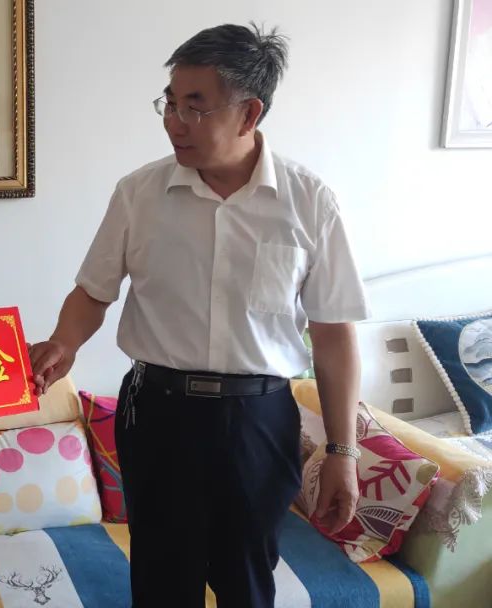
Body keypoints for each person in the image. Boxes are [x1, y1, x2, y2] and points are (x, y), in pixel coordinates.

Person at [29, 24, 370, 608]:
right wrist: (64, 342)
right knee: (161, 581)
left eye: (195, 106)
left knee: (247, 582)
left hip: (259, 419)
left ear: (249, 113)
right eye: (169, 102)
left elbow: (333, 334)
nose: (174, 121)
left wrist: (343, 452)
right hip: (157, 414)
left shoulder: (310, 202)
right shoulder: (139, 193)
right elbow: (93, 292)